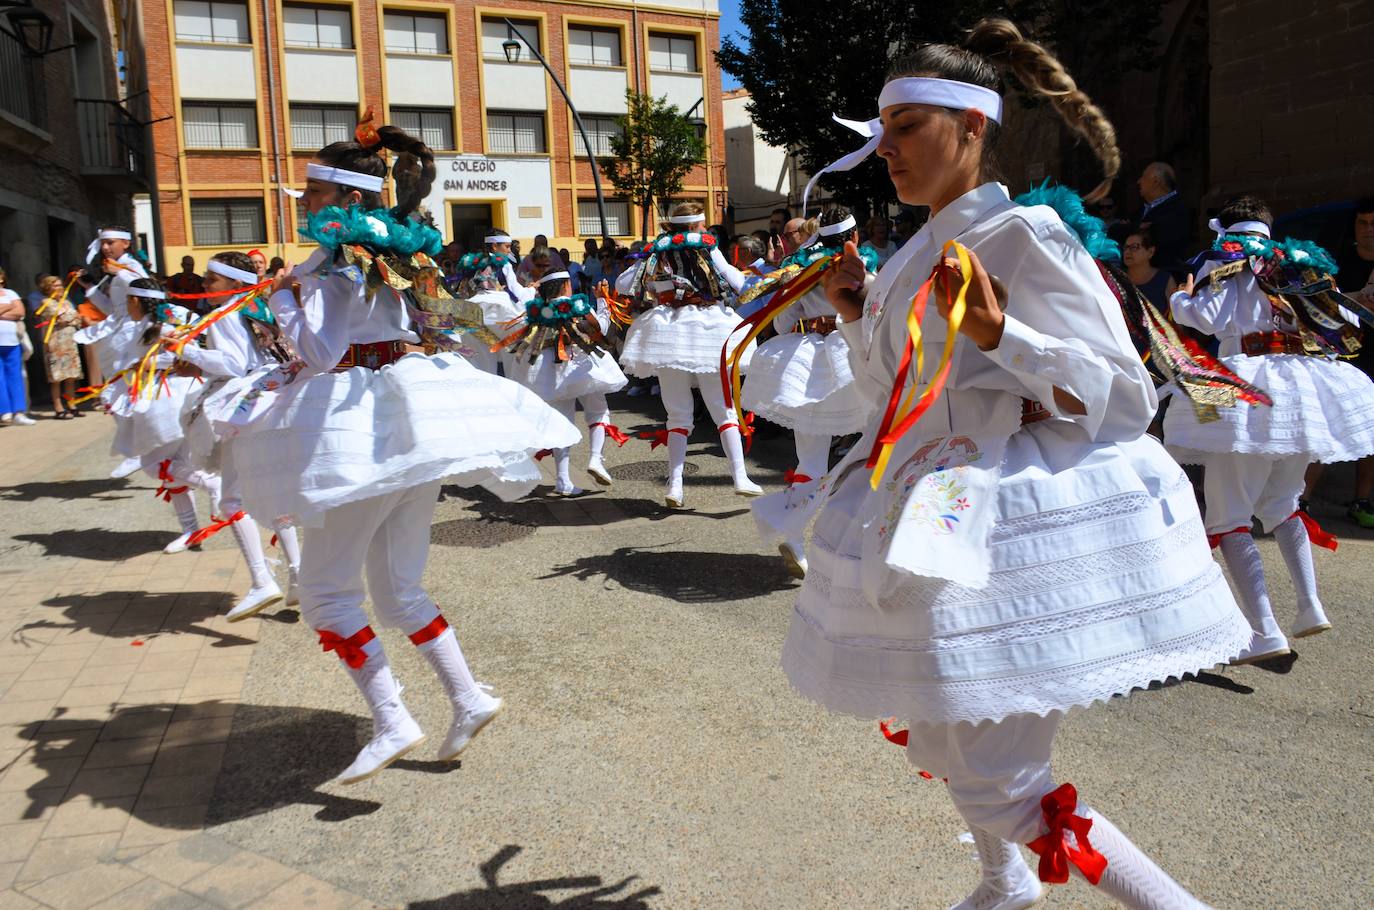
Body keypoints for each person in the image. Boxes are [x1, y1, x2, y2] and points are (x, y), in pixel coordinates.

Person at [782, 20, 1249, 910]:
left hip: (1007, 503)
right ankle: (1006, 886)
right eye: (883, 131)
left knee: (1000, 772)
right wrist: (853, 313)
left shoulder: (1026, 234)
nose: (888, 151)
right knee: (943, 709)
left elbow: (1119, 393)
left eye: (910, 125)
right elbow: (887, 401)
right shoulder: (906, 257)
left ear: (974, 127)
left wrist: (1007, 334)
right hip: (931, 496)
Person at [207, 115, 579, 784]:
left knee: (324, 593)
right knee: (398, 588)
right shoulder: (403, 248)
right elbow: (437, 321)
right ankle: (468, 698)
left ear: (347, 200)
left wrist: (285, 297)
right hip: (411, 414)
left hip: (362, 424)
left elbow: (320, 355)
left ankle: (392, 719)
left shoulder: (334, 258)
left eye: (315, 195)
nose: (308, 206)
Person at [1165, 194, 1374, 664]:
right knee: (1283, 501)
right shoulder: (1294, 262)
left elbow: (1208, 318)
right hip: (1301, 385)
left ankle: (1264, 631)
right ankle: (1308, 605)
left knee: (1228, 513)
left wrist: (1180, 296)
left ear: (1224, 229)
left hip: (1246, 382)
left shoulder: (1225, 258)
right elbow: (1339, 323)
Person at [742, 206, 879, 578]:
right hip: (851, 359)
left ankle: (796, 537)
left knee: (812, 461)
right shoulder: (864, 265)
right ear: (853, 237)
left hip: (805, 364)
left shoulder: (801, 268)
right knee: (875, 450)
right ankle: (858, 543)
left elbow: (784, 323)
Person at [170, 251, 300, 620]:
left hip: (244, 406)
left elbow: (231, 363)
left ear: (232, 283)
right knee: (274, 493)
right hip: (269, 400)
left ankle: (263, 581)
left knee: (231, 501)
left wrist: (188, 349)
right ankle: (297, 573)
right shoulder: (252, 307)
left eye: (212, 279)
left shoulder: (223, 314)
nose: (204, 285)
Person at [616, 201, 761, 507]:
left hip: (669, 332)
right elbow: (738, 284)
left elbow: (624, 285)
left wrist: (652, 263)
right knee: (723, 410)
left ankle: (676, 485)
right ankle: (740, 477)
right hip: (710, 331)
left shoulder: (659, 251)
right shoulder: (709, 248)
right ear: (697, 227)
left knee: (677, 413)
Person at [501, 270, 627, 493]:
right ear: (566, 285)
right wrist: (601, 300)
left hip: (552, 371)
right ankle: (595, 459)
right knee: (598, 411)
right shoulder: (576, 305)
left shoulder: (538, 311)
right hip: (582, 365)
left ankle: (563, 481)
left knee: (562, 422)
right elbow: (601, 328)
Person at [1335, 197, 1374, 526]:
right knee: (1330, 424)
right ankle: (1301, 502)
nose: (1369, 230)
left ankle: (1362, 500)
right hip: (1342, 356)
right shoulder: (1338, 263)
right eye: (1363, 223)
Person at [36, 275, 83, 419]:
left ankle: (72, 405)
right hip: (55, 343)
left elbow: (77, 318)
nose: (59, 288)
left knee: (71, 376)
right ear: (48, 288)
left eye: (60, 285)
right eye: (55, 285)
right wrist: (70, 318)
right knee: (57, 377)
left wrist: (71, 318)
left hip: (69, 342)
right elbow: (61, 318)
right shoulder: (46, 302)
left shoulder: (67, 302)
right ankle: (58, 407)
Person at [1135, 162, 1189, 274]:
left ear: (1155, 181)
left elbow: (1158, 237)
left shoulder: (1177, 209)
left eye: (1143, 177)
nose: (1138, 181)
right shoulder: (1140, 209)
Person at [0, 267, 33, 425]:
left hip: (12, 341)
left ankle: (19, 412)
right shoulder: (10, 299)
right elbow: (14, 310)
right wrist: (8, 307)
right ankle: (4, 412)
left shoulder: (11, 293)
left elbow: (20, 312)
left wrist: (2, 310)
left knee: (15, 376)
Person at [1120, 227, 1177, 310]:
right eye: (1126, 247)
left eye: (1134, 247)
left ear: (1150, 252)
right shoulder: (1117, 278)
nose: (1127, 251)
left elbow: (1177, 316)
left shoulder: (1165, 280)